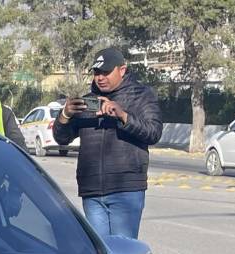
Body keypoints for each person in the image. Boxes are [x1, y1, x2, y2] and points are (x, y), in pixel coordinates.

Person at [54, 47, 162, 239]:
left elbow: (153, 133)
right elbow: (62, 138)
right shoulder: (87, 101)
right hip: (92, 190)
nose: (100, 78)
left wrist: (123, 116)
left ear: (122, 70)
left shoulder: (141, 95)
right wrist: (65, 115)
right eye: (97, 73)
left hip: (126, 189)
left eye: (105, 72)